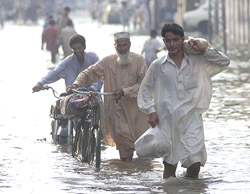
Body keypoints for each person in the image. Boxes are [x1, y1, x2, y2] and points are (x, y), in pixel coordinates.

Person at [137, 23, 230, 178]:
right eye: (168, 41)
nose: (172, 44)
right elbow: (145, 90)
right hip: (167, 121)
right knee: (169, 166)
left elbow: (224, 62)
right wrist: (151, 111)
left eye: (175, 40)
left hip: (192, 120)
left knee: (195, 164)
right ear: (164, 42)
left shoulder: (198, 62)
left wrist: (204, 50)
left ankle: (190, 188)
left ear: (183, 40)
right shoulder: (158, 66)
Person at [67, 32, 149, 162]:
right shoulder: (108, 61)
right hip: (115, 108)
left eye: (125, 45)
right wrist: (76, 84)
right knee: (124, 143)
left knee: (142, 147)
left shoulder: (139, 60)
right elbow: (89, 73)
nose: (122, 48)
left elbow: (143, 84)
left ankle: (134, 176)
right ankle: (127, 174)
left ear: (130, 45)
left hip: (136, 110)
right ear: (115, 46)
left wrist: (124, 91)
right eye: (119, 45)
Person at [33, 34, 103, 92]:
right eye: (74, 49)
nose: (77, 51)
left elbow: (101, 74)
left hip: (93, 95)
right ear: (72, 49)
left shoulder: (93, 58)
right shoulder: (68, 61)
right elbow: (55, 73)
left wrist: (94, 87)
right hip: (73, 97)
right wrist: (40, 83)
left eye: (79, 48)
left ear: (84, 47)